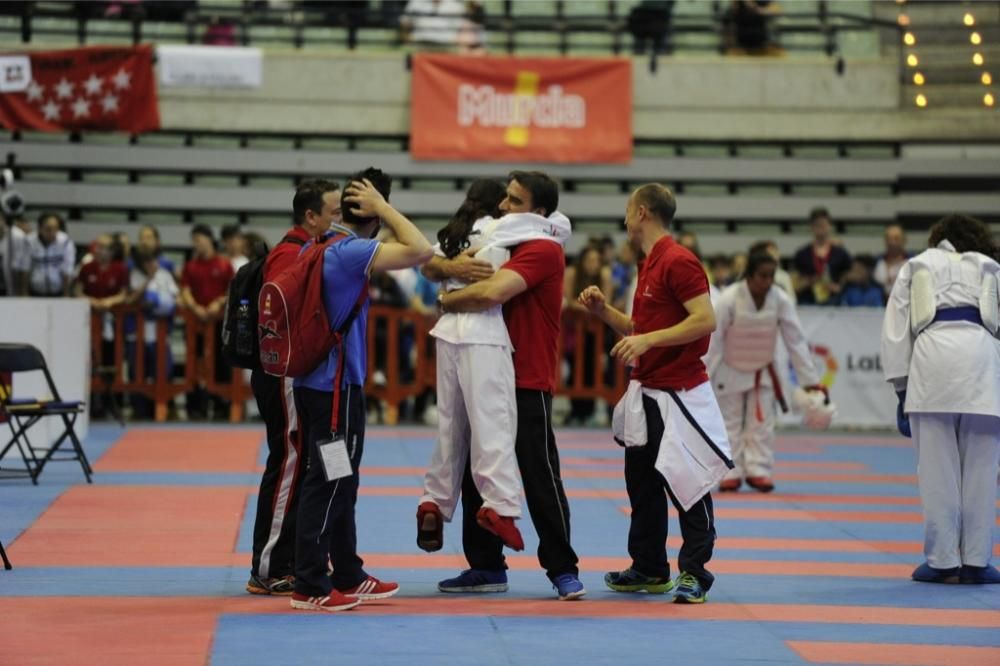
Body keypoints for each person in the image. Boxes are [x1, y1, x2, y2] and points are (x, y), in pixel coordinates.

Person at [431, 171, 585, 601]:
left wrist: (446, 297)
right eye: (504, 200)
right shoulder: (500, 241)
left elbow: (491, 292)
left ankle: (562, 568)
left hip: (525, 375)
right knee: (475, 470)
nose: (502, 208)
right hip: (482, 367)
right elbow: (432, 262)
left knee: (538, 473)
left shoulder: (542, 249)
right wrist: (448, 268)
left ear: (538, 212)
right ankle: (486, 565)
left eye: (514, 202)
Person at [577, 183, 732, 604]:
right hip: (647, 390)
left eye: (628, 210)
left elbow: (705, 320)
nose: (624, 218)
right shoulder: (650, 263)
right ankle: (649, 567)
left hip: (678, 391)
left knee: (688, 483)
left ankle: (695, 572)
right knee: (641, 483)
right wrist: (602, 312)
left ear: (642, 212)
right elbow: (638, 330)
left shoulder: (679, 261)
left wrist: (648, 342)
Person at [290, 168, 433, 612]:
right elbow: (421, 249)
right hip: (335, 390)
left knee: (339, 480)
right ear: (370, 214)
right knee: (329, 481)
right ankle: (310, 585)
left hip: (319, 384)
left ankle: (347, 573)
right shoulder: (350, 252)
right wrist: (385, 207)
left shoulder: (323, 245)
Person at [881, 214, 1000, 585]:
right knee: (982, 469)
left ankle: (943, 560)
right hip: (982, 359)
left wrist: (902, 390)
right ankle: (978, 560)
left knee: (936, 469)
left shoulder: (917, 265)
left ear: (938, 239)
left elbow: (896, 330)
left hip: (933, 363)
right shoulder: (991, 267)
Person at [246, 179, 341, 597]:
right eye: (333, 211)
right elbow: (281, 316)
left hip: (295, 372)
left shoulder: (309, 248)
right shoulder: (289, 254)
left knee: (303, 463)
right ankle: (268, 567)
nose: (338, 219)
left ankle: (299, 558)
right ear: (311, 216)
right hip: (281, 371)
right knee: (288, 460)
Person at [706, 249, 826, 493]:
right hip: (730, 368)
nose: (768, 281)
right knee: (730, 423)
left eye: (771, 276)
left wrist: (810, 381)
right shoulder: (729, 299)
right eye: (762, 275)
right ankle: (731, 471)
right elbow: (714, 341)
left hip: (763, 369)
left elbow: (796, 340)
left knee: (761, 423)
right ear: (749, 275)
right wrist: (701, 376)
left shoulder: (781, 300)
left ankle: (759, 469)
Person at [179, 224, 235, 419]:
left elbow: (232, 290)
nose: (197, 244)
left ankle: (222, 406)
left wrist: (218, 303)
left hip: (219, 323)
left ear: (210, 239)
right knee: (195, 364)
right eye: (194, 241)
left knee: (221, 363)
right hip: (196, 324)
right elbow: (184, 290)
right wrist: (194, 307)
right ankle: (195, 407)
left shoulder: (223, 264)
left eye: (199, 240)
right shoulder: (190, 266)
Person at [126, 247, 179, 419]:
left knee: (164, 371)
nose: (151, 265)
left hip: (161, 332)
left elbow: (174, 297)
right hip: (138, 332)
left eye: (153, 261)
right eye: (147, 262)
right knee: (138, 372)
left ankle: (163, 408)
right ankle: (140, 411)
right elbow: (131, 299)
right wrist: (148, 280)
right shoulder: (134, 275)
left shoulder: (164, 275)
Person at [563, 243, 613, 426]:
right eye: (590, 260)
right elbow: (568, 301)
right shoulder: (572, 273)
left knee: (593, 370)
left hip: (596, 332)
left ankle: (589, 411)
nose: (593, 264)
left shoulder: (605, 275)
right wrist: (591, 309)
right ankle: (576, 410)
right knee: (574, 368)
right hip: (573, 331)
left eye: (596, 261)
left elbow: (608, 303)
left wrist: (593, 310)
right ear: (582, 261)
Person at [792, 207, 851, 305]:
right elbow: (795, 280)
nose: (820, 228)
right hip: (808, 299)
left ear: (829, 226)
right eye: (817, 225)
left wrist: (839, 287)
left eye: (823, 225)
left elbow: (848, 275)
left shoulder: (840, 253)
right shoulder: (802, 254)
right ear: (811, 227)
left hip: (834, 300)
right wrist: (809, 282)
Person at [17, 212, 75, 297]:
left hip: (58, 291)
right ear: (40, 228)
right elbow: (25, 269)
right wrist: (24, 293)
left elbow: (67, 270)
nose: (52, 232)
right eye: (48, 229)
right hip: (35, 291)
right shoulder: (29, 241)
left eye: (56, 228)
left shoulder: (65, 242)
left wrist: (66, 294)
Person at [750, 240, 795, 304]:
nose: (777, 254)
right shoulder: (750, 275)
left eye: (776, 251)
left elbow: (792, 300)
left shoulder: (784, 276)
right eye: (772, 252)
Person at [874, 224, 909, 299]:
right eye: (888, 238)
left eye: (896, 238)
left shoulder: (912, 262)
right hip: (880, 306)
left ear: (904, 240)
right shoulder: (876, 262)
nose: (892, 242)